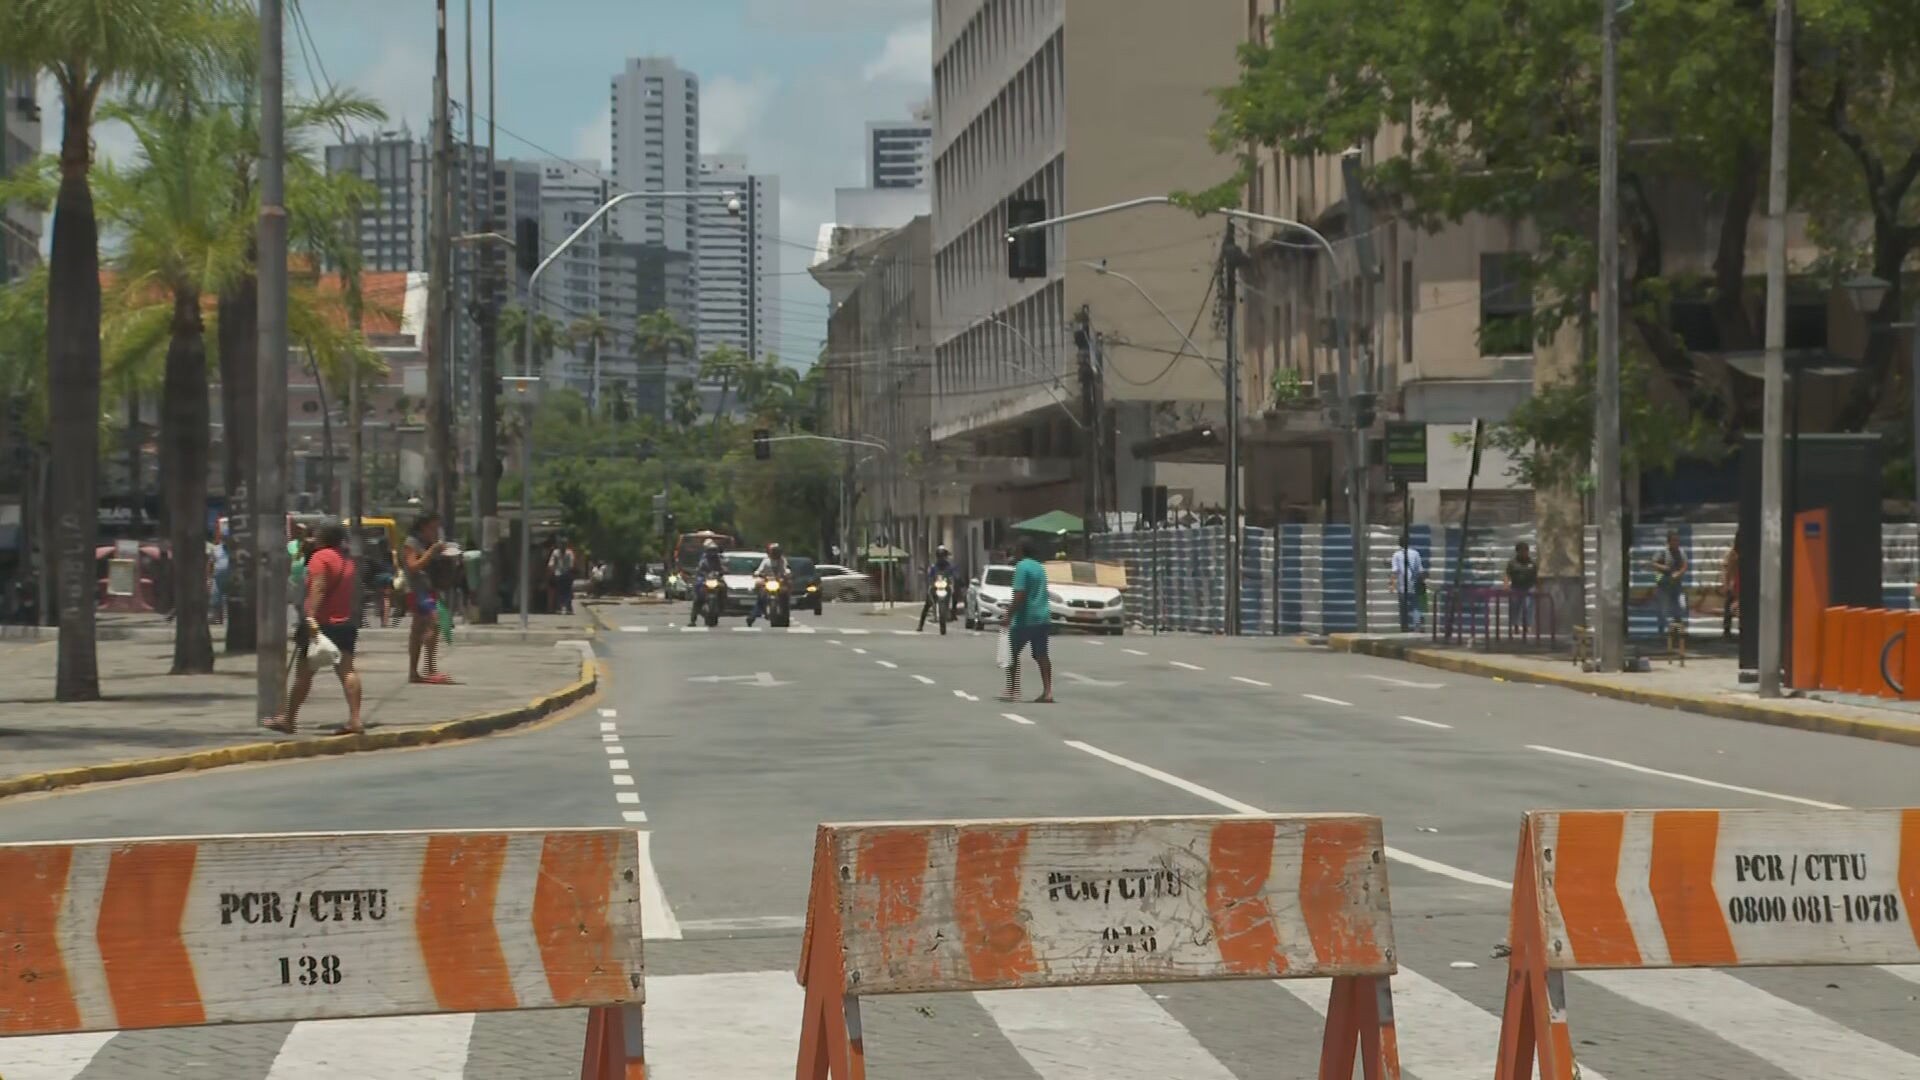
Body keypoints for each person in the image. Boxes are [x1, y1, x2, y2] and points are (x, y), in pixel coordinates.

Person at [262, 524, 363, 735]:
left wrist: (310, 617)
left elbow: (318, 587)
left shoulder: (321, 558)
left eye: (316, 534)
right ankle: (355, 719)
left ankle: (288, 719)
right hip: (344, 622)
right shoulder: (346, 560)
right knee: (347, 670)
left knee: (304, 673)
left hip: (322, 622)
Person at [1001, 539, 1054, 703]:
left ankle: (1013, 689)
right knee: (1042, 655)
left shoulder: (1022, 567)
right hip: (1042, 616)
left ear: (1022, 551)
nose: (1015, 553)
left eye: (1017, 549)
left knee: (1011, 653)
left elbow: (1020, 595)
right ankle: (1048, 691)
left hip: (1025, 619)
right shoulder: (1039, 567)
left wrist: (1009, 614)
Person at [403, 513, 453, 684]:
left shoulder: (428, 544)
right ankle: (428, 669)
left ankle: (417, 671)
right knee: (434, 622)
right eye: (433, 527)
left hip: (429, 589)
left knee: (420, 630)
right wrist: (432, 552)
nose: (436, 531)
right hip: (417, 591)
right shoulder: (412, 543)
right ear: (423, 527)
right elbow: (413, 566)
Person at [1650, 530, 1689, 638]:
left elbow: (1685, 565)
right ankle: (1662, 632)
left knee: (1680, 606)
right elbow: (1653, 563)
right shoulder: (1663, 551)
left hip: (1676, 584)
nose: (1676, 543)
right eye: (1674, 541)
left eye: (1677, 540)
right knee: (1663, 610)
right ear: (1669, 542)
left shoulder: (1681, 552)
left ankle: (1677, 631)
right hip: (1663, 584)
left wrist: (1679, 573)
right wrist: (1664, 568)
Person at [918, 544, 960, 632]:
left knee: (955, 596)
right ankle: (920, 625)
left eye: (943, 555)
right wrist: (931, 583)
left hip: (945, 586)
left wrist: (955, 578)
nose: (941, 557)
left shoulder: (949, 566)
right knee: (927, 605)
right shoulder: (934, 567)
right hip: (935, 587)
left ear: (946, 556)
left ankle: (953, 613)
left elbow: (954, 574)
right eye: (939, 555)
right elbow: (930, 576)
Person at [747, 541, 789, 627]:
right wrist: (757, 573)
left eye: (777, 551)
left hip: (779, 581)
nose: (775, 553)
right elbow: (759, 570)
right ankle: (752, 616)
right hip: (767, 581)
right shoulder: (766, 561)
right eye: (773, 551)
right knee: (761, 598)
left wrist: (786, 574)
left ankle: (784, 615)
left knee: (784, 594)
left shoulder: (782, 560)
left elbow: (785, 569)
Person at [1391, 535, 1425, 633]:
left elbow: (1395, 571)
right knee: (1416, 606)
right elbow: (1420, 570)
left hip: (1402, 586)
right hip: (1414, 584)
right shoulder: (1415, 553)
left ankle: (1404, 627)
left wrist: (1392, 585)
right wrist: (1423, 583)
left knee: (1403, 608)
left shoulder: (1396, 555)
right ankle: (1417, 627)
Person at [1504, 541, 1538, 636]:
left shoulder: (1532, 563)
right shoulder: (1512, 563)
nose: (1524, 553)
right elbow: (1507, 574)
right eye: (1522, 551)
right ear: (1517, 552)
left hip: (1529, 588)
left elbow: (1537, 577)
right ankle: (1514, 626)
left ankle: (1527, 626)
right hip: (1516, 587)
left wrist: (1538, 588)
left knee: (1528, 606)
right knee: (1515, 607)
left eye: (1526, 551)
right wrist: (1506, 585)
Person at [689, 539, 726, 625]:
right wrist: (699, 572)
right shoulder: (703, 558)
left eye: (714, 550)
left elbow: (722, 567)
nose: (712, 552)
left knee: (724, 586)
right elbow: (699, 567)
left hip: (714, 578)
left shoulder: (719, 558)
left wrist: (723, 571)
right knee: (697, 598)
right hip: (703, 578)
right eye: (710, 550)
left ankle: (722, 605)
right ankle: (693, 620)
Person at [548, 536, 578, 616]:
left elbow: (551, 564)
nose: (563, 545)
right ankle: (565, 607)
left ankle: (563, 607)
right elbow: (571, 565)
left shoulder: (557, 552)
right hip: (565, 574)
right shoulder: (568, 553)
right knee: (566, 591)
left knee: (562, 591)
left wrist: (553, 572)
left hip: (561, 575)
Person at [1721, 536, 1741, 639]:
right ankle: (1726, 629)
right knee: (1728, 607)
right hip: (1732, 583)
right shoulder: (1730, 554)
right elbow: (1725, 570)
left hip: (1739, 583)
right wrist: (1726, 584)